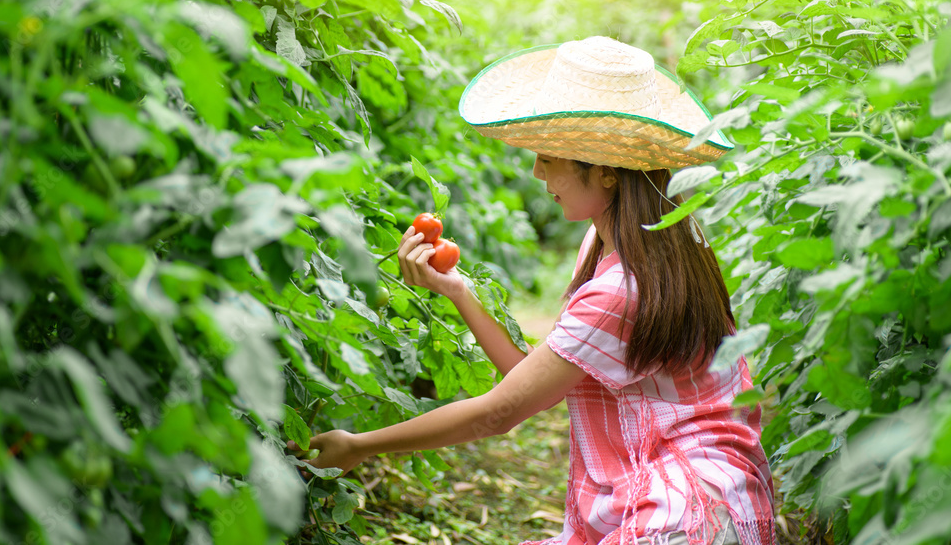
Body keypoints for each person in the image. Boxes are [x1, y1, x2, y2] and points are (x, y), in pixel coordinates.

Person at [294, 37, 777, 545]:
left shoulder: (621, 288)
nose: (536, 172)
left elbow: (500, 412)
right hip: (716, 495)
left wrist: (359, 445)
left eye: (548, 158)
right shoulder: (660, 237)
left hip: (685, 513)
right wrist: (458, 291)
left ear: (607, 172)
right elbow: (531, 383)